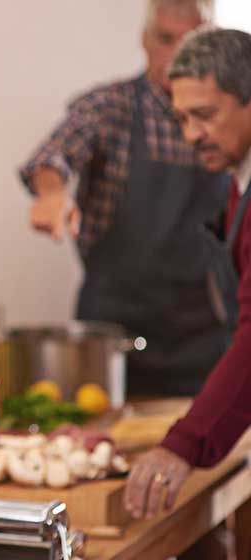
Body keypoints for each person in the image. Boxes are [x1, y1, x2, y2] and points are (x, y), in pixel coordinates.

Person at [19, 0, 229, 397]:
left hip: (201, 347)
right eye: (166, 39)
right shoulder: (110, 108)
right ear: (145, 40)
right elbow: (53, 158)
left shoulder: (227, 122)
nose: (178, 56)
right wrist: (53, 194)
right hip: (111, 345)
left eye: (191, 43)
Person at [124, 28, 251, 520]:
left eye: (206, 115)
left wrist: (184, 444)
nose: (192, 134)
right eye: (182, 119)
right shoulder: (239, 180)